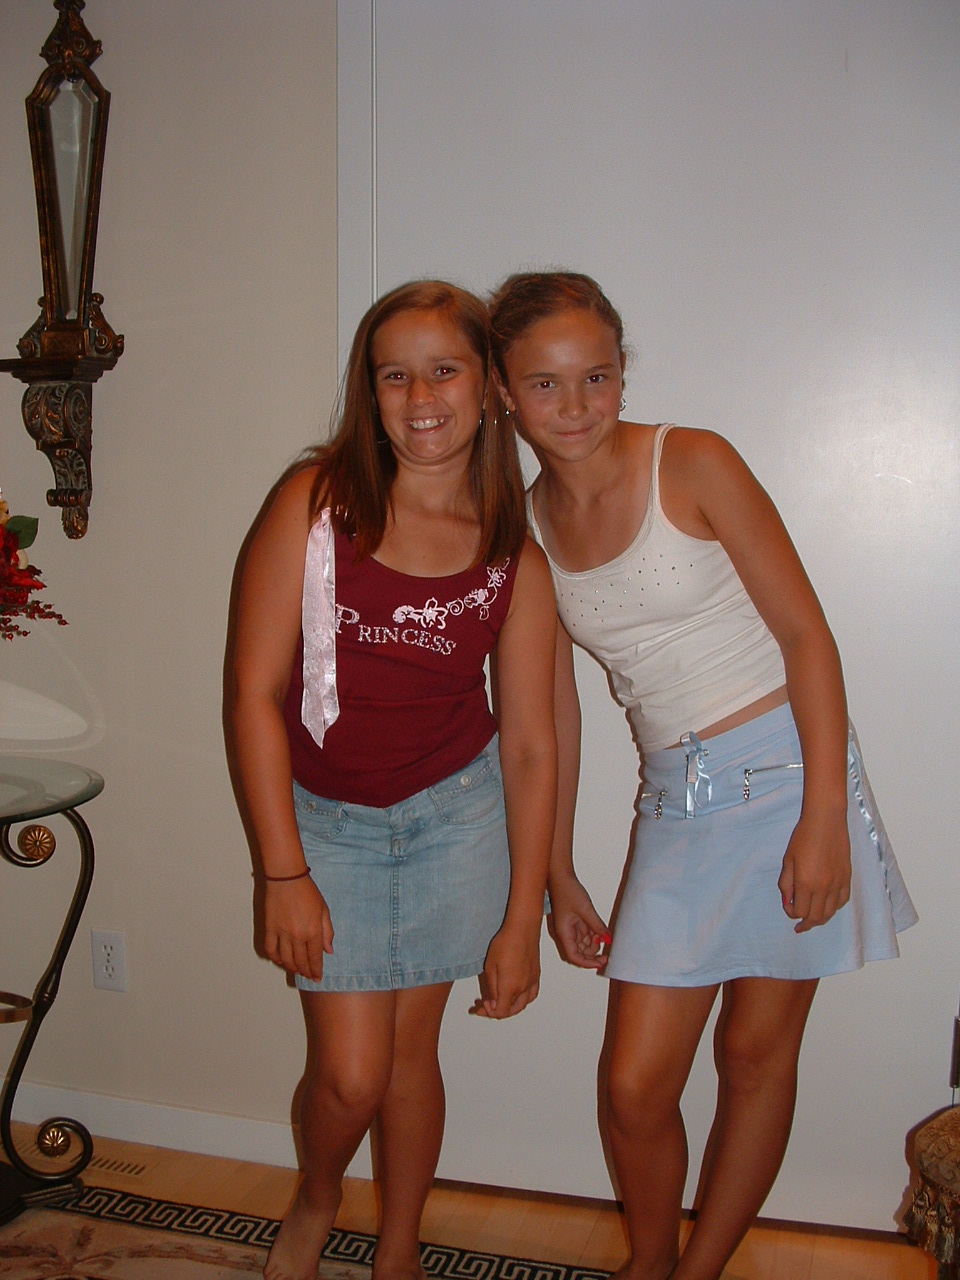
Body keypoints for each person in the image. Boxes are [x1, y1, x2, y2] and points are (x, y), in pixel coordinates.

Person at [488, 271, 917, 1280]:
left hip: (787, 777)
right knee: (634, 1085)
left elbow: (807, 637)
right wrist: (557, 874)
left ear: (622, 371)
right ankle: (651, 1261)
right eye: (544, 384)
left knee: (754, 1058)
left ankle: (697, 1270)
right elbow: (553, 714)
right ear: (504, 393)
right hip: (675, 804)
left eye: (597, 376)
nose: (576, 405)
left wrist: (824, 817)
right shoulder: (526, 527)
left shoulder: (693, 460)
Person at [231, 280, 558, 1280]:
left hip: (457, 819)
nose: (421, 396)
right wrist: (281, 871)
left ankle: (401, 1244)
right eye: (394, 375)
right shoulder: (316, 504)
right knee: (350, 1075)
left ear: (490, 387)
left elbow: (531, 745)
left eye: (445, 369)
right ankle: (318, 1194)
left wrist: (523, 917)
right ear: (369, 393)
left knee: (413, 1060)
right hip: (326, 827)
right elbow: (254, 695)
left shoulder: (512, 553)